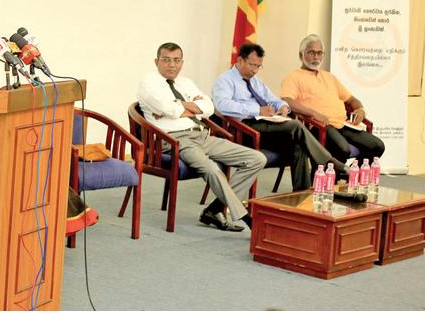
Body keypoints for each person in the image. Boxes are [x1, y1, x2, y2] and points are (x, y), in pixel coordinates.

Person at [137, 42, 266, 232]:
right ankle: (246, 218)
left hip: (202, 136)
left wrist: (181, 105)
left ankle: (214, 209)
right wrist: (189, 106)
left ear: (182, 62)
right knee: (212, 170)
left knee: (256, 158)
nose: (172, 65)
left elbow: (209, 108)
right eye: (166, 60)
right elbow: (169, 110)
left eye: (176, 60)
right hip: (174, 140)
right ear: (157, 61)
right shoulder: (148, 82)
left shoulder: (186, 82)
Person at [212, 43, 345, 191]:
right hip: (242, 129)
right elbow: (222, 106)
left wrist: (283, 107)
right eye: (252, 65)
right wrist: (257, 110)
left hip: (264, 126)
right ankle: (328, 162)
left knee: (298, 146)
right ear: (240, 60)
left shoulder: (255, 81)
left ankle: (301, 195)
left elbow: (273, 99)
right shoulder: (225, 80)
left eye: (258, 66)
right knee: (295, 125)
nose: (255, 70)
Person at [280, 34, 385, 165]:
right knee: (343, 149)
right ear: (301, 55)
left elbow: (352, 100)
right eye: (311, 53)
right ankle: (332, 176)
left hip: (343, 124)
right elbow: (286, 100)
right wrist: (313, 113)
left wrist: (360, 109)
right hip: (319, 126)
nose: (316, 57)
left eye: (319, 53)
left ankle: (349, 175)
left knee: (377, 146)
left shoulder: (330, 77)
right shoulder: (293, 77)